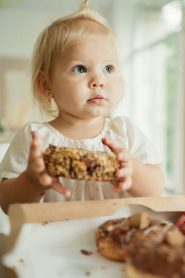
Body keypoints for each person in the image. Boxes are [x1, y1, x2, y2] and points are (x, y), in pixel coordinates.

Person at [0, 1, 164, 214]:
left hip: (118, 238)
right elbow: (6, 202)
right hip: (53, 241)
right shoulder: (35, 138)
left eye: (108, 68)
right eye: (80, 68)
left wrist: (133, 171)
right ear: (45, 84)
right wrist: (32, 181)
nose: (99, 80)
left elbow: (157, 188)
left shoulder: (124, 132)